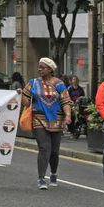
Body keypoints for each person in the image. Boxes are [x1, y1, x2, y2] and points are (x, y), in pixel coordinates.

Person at [22, 58, 73, 190]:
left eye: (43, 67)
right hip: (38, 118)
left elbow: (66, 101)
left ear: (50, 69)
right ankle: (41, 178)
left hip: (57, 120)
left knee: (54, 150)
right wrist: (21, 94)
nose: (40, 69)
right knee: (44, 148)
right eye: (39, 67)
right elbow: (26, 102)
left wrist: (68, 115)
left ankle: (54, 173)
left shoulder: (59, 84)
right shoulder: (33, 83)